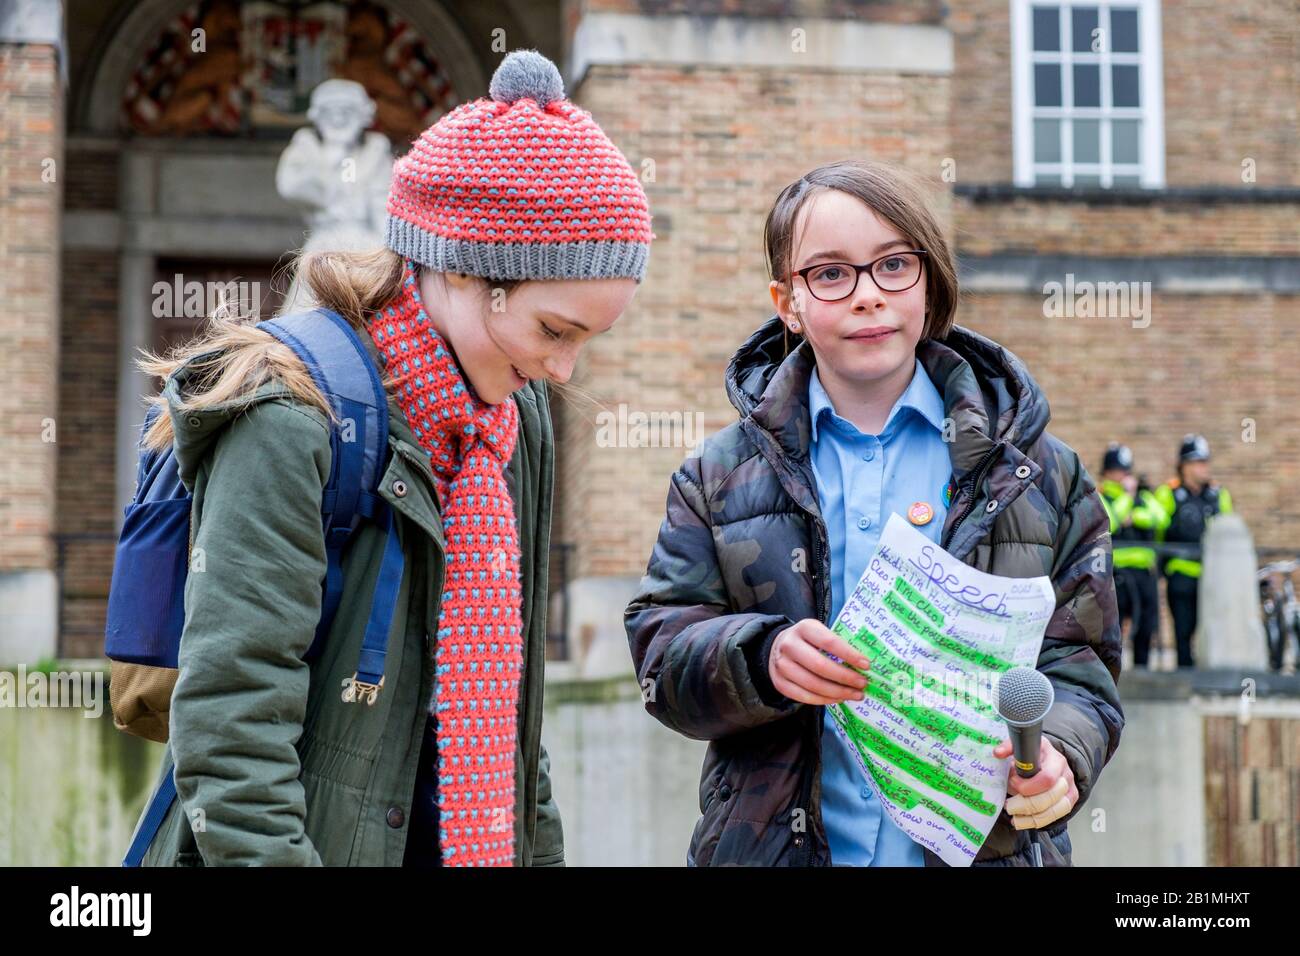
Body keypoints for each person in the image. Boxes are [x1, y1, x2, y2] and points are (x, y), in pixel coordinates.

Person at [125, 50, 653, 866]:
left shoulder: (511, 424)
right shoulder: (289, 417)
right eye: (553, 331)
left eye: (589, 340)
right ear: (456, 269)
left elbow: (510, 718)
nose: (562, 371)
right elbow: (232, 731)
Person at [625, 160, 1123, 866]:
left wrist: (1063, 754)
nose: (866, 296)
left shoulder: (1043, 475)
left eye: (893, 265)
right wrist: (761, 658)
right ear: (787, 301)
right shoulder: (715, 477)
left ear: (930, 280)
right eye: (830, 274)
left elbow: (1082, 665)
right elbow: (660, 651)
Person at [1154, 434, 1234, 669]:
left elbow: (1228, 530)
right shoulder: (1169, 493)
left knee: (1212, 629)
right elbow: (1158, 531)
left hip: (1212, 576)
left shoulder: (1218, 495)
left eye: (1205, 462)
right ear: (1184, 466)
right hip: (1181, 574)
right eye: (1198, 462)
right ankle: (1185, 679)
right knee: (1183, 630)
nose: (1204, 468)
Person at [1098, 443, 1168, 669]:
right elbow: (1111, 521)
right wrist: (1127, 497)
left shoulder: (1143, 496)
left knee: (1146, 625)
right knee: (1113, 628)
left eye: (1127, 471)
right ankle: (1111, 671)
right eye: (1119, 471)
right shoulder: (1103, 497)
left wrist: (1135, 515)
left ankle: (1142, 669)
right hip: (1117, 574)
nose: (1124, 476)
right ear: (1108, 472)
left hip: (1144, 574)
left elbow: (1161, 518)